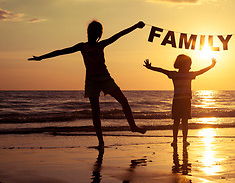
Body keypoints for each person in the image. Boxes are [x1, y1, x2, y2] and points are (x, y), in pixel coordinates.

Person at [28, 20, 147, 149]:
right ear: (87, 32)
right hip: (91, 82)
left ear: (98, 34)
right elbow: (61, 51)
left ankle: (133, 127)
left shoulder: (101, 45)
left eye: (94, 32)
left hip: (105, 78)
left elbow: (119, 35)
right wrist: (41, 58)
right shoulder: (82, 47)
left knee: (124, 101)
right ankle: (101, 142)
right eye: (90, 32)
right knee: (96, 113)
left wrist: (135, 26)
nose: (91, 34)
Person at [143, 55, 216, 146]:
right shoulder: (174, 74)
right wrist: (151, 67)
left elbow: (200, 72)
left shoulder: (189, 75)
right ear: (182, 65)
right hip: (178, 101)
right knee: (176, 122)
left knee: (184, 122)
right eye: (188, 65)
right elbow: (162, 70)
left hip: (185, 101)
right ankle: (175, 140)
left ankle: (184, 140)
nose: (190, 67)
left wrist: (211, 66)